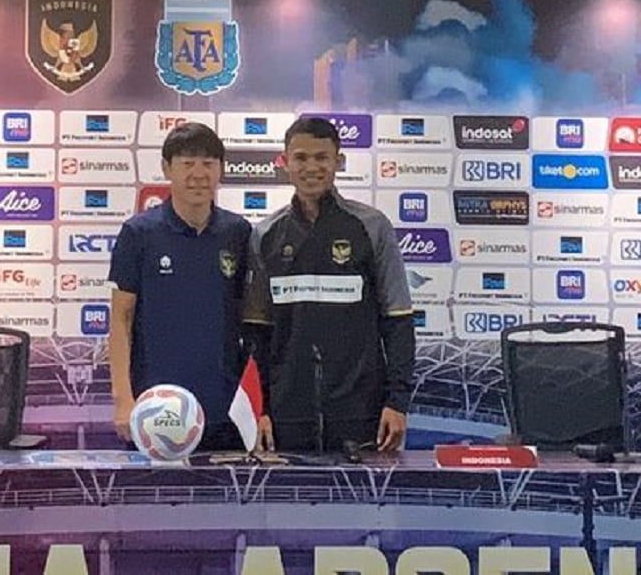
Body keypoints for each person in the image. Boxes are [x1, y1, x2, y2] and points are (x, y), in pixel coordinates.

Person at [244, 116, 416, 453]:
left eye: (322, 157)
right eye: (301, 157)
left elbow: (398, 320)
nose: (311, 167)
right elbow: (257, 333)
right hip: (286, 415)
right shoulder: (264, 235)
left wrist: (398, 401)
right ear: (285, 162)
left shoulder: (372, 226)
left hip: (361, 413)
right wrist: (259, 408)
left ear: (338, 161)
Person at [108, 122, 252, 451]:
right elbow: (120, 319)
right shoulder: (138, 233)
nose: (198, 174)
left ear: (221, 169)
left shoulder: (238, 232)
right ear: (166, 168)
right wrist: (123, 399)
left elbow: (250, 319)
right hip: (154, 409)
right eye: (187, 163)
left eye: (208, 163)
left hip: (224, 409)